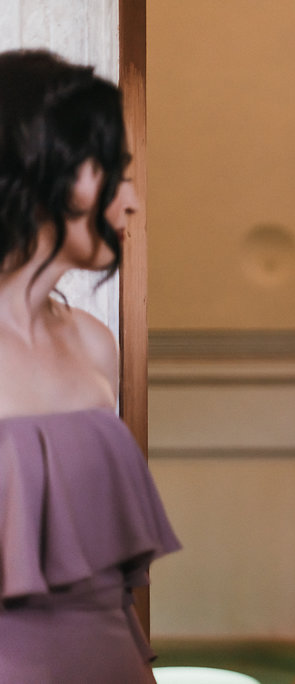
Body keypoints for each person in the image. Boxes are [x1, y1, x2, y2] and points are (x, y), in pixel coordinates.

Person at [0, 50, 180, 683]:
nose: (130, 200)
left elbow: (112, 592)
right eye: (114, 170)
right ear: (42, 165)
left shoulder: (95, 343)